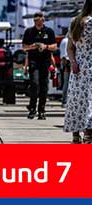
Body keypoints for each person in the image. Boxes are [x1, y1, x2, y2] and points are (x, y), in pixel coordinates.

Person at [64, 0, 92, 144]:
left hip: (78, 67)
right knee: (89, 100)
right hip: (90, 66)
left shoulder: (75, 21)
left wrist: (73, 62)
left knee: (77, 100)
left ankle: (76, 135)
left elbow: (69, 47)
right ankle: (88, 133)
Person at [22, 12, 57, 120]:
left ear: (43, 20)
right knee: (34, 83)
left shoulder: (49, 31)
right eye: (35, 20)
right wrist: (32, 47)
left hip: (45, 61)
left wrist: (45, 46)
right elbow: (24, 47)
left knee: (44, 86)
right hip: (34, 61)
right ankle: (32, 108)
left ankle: (41, 110)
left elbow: (54, 47)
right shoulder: (29, 31)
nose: (37, 22)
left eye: (39, 20)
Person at [59, 31, 70, 107]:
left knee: (66, 82)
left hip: (66, 62)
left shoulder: (64, 40)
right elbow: (64, 55)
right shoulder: (67, 41)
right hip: (68, 62)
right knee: (67, 82)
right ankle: (65, 100)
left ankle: (65, 100)